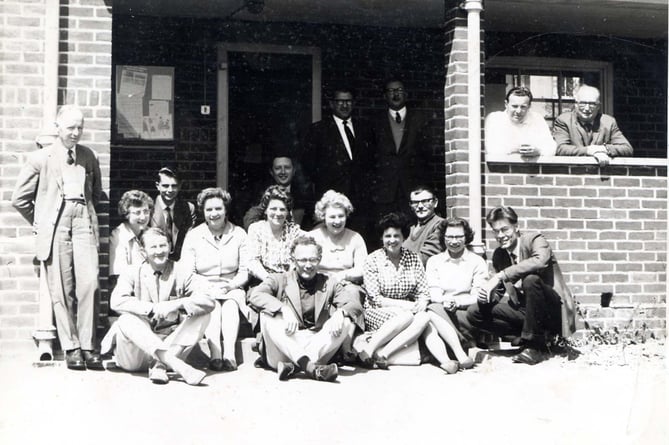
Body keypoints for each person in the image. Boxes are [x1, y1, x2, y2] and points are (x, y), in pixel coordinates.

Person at [12, 105, 103, 371]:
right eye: (70, 128)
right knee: (62, 289)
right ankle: (72, 347)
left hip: (83, 220)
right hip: (56, 224)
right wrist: (42, 224)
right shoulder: (40, 158)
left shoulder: (88, 156)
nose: (76, 133)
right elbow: (19, 199)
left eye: (80, 128)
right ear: (58, 127)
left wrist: (86, 214)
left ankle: (88, 345)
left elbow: (96, 192)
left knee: (90, 283)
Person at [101, 228, 215, 385]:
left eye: (163, 245)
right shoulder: (131, 272)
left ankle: (160, 364)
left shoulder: (182, 271)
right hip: (135, 354)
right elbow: (116, 301)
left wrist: (177, 303)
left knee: (203, 314)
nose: (159, 251)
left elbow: (209, 301)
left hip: (171, 344)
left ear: (169, 246)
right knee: (125, 319)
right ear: (143, 252)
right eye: (153, 247)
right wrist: (152, 309)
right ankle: (172, 363)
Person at [466, 206, 576, 365]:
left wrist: (500, 276)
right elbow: (499, 292)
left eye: (505, 230)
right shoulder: (499, 254)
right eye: (496, 231)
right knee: (475, 312)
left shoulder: (534, 239)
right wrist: (486, 295)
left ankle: (534, 346)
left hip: (553, 311)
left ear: (516, 227)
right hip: (525, 312)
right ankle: (529, 340)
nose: (500, 235)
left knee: (530, 280)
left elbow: (540, 261)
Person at [359, 213, 464, 373]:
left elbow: (423, 291)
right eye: (388, 236)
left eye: (396, 235)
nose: (392, 240)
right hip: (377, 311)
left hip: (409, 310)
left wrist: (422, 303)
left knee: (424, 317)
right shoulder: (372, 260)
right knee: (409, 316)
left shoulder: (413, 259)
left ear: (403, 237)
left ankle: (445, 361)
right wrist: (408, 306)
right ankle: (368, 350)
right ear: (382, 238)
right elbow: (376, 298)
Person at [249, 235, 364, 382]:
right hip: (283, 346)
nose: (308, 265)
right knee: (267, 315)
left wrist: (340, 313)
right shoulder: (279, 279)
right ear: (293, 260)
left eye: (313, 259)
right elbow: (256, 294)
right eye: (302, 260)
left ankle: (296, 366)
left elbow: (355, 304)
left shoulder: (329, 282)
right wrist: (283, 309)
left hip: (316, 344)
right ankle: (309, 366)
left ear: (319, 259)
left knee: (346, 321)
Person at [180, 187, 251, 372]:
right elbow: (188, 272)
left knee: (230, 305)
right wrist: (207, 287)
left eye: (218, 209)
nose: (214, 214)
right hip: (202, 285)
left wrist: (231, 285)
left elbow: (245, 271)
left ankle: (229, 355)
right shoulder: (194, 235)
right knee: (213, 306)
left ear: (226, 209)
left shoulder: (239, 234)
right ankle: (215, 354)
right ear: (203, 212)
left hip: (231, 285)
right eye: (209, 210)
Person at [301, 87, 374, 233]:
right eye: (340, 101)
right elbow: (309, 167)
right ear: (332, 104)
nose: (345, 105)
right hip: (332, 201)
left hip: (360, 202)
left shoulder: (364, 129)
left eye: (348, 101)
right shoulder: (318, 130)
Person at [309, 190, 368, 360]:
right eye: (332, 217)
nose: (337, 221)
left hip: (347, 283)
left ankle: (346, 345)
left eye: (341, 216)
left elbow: (362, 268)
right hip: (319, 283)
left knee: (351, 297)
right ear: (323, 217)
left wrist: (343, 276)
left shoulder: (355, 238)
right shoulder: (313, 236)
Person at [371, 79, 432, 218]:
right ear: (385, 96)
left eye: (399, 90)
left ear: (406, 94)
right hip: (384, 190)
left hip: (411, 188)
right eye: (391, 91)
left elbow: (426, 155)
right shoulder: (375, 122)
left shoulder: (419, 119)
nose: (395, 94)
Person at [425, 217, 487, 350]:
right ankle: (462, 345)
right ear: (443, 237)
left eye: (459, 237)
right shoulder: (434, 261)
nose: (454, 241)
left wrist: (457, 303)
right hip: (442, 309)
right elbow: (434, 293)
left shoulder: (477, 261)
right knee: (433, 310)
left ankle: (454, 345)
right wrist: (446, 302)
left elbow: (478, 296)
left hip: (467, 314)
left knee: (432, 313)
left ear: (466, 237)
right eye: (449, 237)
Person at [553, 84, 633, 166]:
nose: (587, 108)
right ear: (576, 104)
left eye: (592, 104)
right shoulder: (563, 120)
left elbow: (627, 148)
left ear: (598, 106)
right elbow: (560, 148)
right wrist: (589, 151)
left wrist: (603, 149)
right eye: (583, 103)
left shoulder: (608, 122)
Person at [247, 185, 305, 283]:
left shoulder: (294, 231)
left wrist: (286, 281)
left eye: (282, 209)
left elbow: (296, 262)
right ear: (265, 210)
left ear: (287, 212)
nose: (278, 213)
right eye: (273, 209)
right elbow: (252, 262)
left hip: (289, 281)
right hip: (262, 281)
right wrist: (270, 280)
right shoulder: (256, 229)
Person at [243, 154, 311, 230]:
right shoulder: (260, 192)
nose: (283, 172)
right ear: (271, 172)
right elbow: (248, 222)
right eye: (278, 168)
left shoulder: (304, 193)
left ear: (294, 170)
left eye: (287, 168)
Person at [484, 86, 556, 157]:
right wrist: (515, 149)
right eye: (514, 106)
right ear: (506, 104)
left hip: (531, 167)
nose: (518, 111)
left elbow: (552, 148)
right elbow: (491, 149)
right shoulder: (495, 119)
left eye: (523, 107)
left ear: (529, 106)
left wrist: (538, 151)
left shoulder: (537, 119)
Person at [149, 167, 197, 261]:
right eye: (165, 186)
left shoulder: (188, 208)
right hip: (154, 262)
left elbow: (189, 238)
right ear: (158, 185)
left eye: (174, 186)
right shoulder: (148, 208)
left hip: (179, 262)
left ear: (179, 186)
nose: (170, 190)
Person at [109, 190, 153, 283]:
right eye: (137, 213)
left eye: (146, 211)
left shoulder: (151, 233)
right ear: (127, 214)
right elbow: (118, 276)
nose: (143, 217)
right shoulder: (119, 235)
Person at [403, 185, 444, 266]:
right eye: (415, 202)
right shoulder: (410, 226)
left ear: (435, 203)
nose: (420, 206)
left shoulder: (440, 225)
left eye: (425, 201)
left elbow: (425, 259)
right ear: (410, 205)